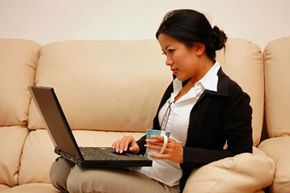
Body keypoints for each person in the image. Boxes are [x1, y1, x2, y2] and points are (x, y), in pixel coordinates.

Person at [50, 9, 253, 193]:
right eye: (164, 53)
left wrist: (185, 155)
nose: (167, 61)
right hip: (145, 165)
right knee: (60, 168)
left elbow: (242, 156)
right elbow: (162, 133)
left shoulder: (230, 96)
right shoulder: (179, 83)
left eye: (171, 51)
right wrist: (138, 145)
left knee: (81, 178)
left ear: (198, 48)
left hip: (169, 183)